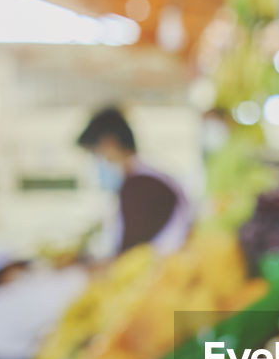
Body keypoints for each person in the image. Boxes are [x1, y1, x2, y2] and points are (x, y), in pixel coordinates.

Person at [77, 105, 193, 258]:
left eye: (96, 153)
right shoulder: (144, 178)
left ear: (110, 143)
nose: (97, 161)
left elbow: (130, 251)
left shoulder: (140, 185)